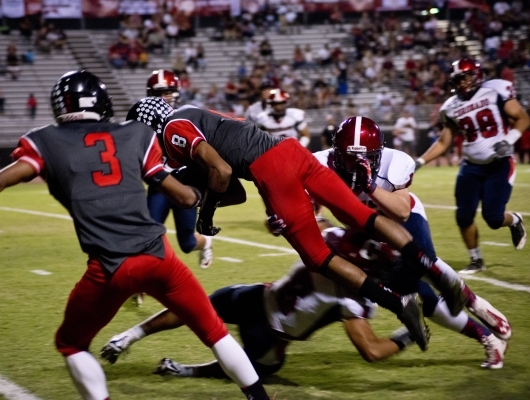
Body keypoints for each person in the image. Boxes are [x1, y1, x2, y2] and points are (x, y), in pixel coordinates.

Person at [0, 71, 270, 400]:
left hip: (110, 266)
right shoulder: (134, 135)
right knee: (215, 332)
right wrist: (202, 194)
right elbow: (183, 197)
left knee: (70, 343)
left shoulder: (48, 140)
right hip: (159, 256)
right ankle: (257, 396)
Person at [126, 97, 470, 351]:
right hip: (290, 152)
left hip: (272, 169)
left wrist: (206, 212)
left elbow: (224, 172)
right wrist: (204, 195)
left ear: (148, 122)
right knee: (362, 216)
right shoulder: (194, 113)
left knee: (318, 257)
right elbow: (233, 190)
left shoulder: (172, 128)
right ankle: (438, 271)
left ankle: (397, 303)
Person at [101, 225, 507, 375]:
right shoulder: (356, 296)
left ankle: (128, 337)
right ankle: (188, 371)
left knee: (193, 308)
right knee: (256, 368)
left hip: (255, 296)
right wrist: (402, 336)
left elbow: (295, 227)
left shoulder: (331, 236)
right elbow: (370, 351)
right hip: (273, 336)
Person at [317, 115, 511, 363]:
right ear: (336, 151)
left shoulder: (395, 161)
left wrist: (370, 187)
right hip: (365, 229)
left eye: (363, 159)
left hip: (400, 218)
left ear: (379, 152)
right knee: (422, 300)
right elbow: (308, 207)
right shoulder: (320, 163)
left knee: (422, 260)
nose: (355, 165)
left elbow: (401, 210)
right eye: (348, 157)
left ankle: (474, 302)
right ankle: (488, 338)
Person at [415, 58, 529, 273]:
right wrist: (419, 162)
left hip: (499, 164)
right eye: (458, 80)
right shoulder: (450, 107)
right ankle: (476, 259)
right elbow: (444, 142)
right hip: (471, 166)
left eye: (466, 77)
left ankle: (514, 220)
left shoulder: (496, 90)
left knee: (493, 218)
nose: (462, 83)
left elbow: (522, 118)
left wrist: (510, 139)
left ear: (476, 75)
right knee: (463, 216)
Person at [144, 70, 220, 270]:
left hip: (185, 182)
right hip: (159, 183)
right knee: (147, 234)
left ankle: (206, 242)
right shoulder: (143, 116)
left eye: (168, 91)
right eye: (160, 91)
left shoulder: (188, 113)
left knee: (187, 243)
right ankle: (143, 282)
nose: (164, 96)